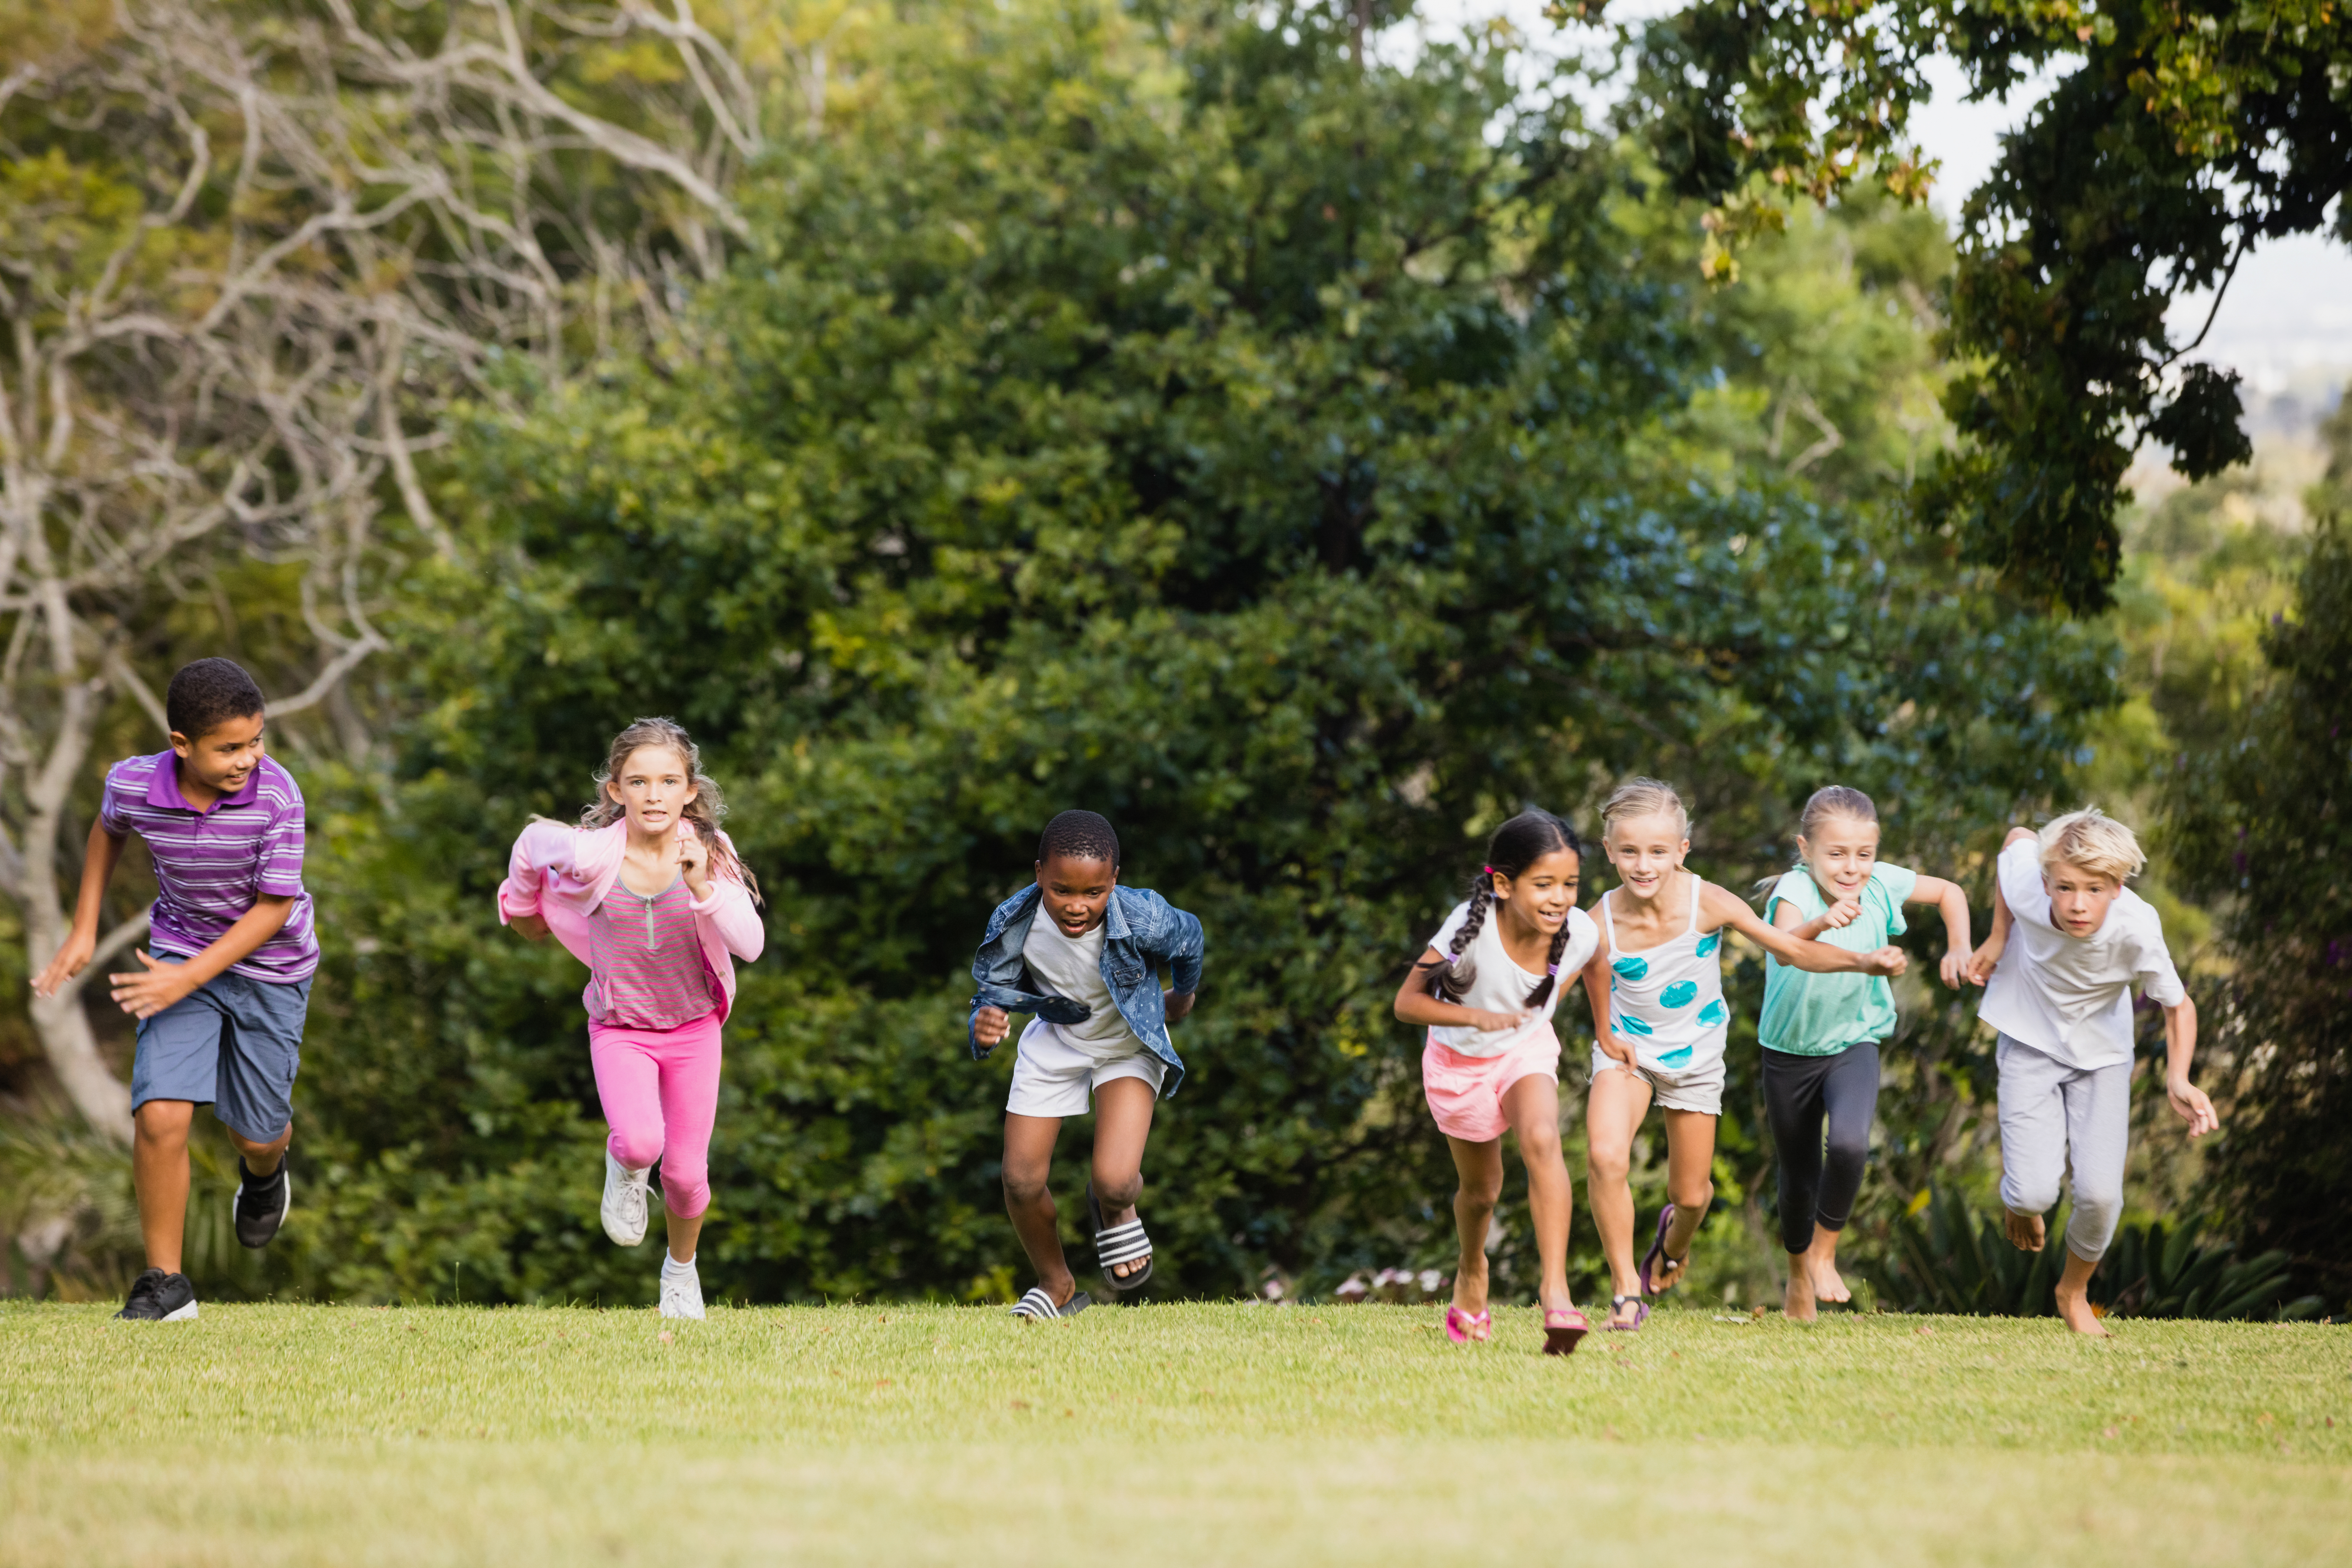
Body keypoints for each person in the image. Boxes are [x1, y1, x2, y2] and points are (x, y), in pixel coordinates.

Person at [34, 659, 318, 1323]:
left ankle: (266, 1172)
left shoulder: (277, 796)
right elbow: (109, 829)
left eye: (257, 740)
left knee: (256, 1132)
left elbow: (273, 909)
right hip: (179, 953)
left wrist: (188, 977)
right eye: (230, 748)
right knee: (161, 1114)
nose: (249, 758)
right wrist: (83, 929)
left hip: (269, 968)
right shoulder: (134, 783)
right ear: (181, 744)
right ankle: (165, 1284)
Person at [1583, 778, 1907, 1331]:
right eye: (1630, 851)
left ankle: (1672, 1247)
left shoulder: (1707, 901)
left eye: (1658, 851)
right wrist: (1599, 1032)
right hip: (1627, 1052)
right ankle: (1624, 1292)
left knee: (1690, 1194)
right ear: (1609, 850)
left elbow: (1792, 951)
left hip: (1695, 1058)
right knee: (1606, 1155)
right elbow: (1583, 972)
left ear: (1681, 850)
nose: (1643, 865)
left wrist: (1863, 964)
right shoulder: (1598, 921)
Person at [499, 718, 764, 1321]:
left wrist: (703, 885)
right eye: (638, 781)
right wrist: (518, 903)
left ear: (689, 791)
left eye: (669, 781)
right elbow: (531, 842)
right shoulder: (592, 853)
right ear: (615, 790)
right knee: (644, 1141)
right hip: (620, 1027)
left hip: (695, 1030)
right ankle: (623, 1164)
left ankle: (680, 1273)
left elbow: (751, 946)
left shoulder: (709, 852)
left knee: (688, 1177)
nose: (654, 794)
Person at [1963, 807, 2216, 1336]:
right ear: (2046, 881)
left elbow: (2179, 1006)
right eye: (2067, 887)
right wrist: (1997, 937)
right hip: (2029, 1036)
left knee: (2101, 1197)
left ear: (2117, 887)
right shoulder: (2028, 884)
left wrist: (2178, 1077)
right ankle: (2020, 1198)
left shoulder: (2138, 928)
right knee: (2032, 1193)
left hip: (2102, 1054)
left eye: (2095, 889)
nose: (2078, 904)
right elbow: (2014, 837)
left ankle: (2072, 1291)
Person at [968, 810, 1203, 1321]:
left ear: (1114, 880)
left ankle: (1115, 1205)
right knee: (1020, 1179)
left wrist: (1182, 997)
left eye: (1094, 893)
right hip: (1057, 1037)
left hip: (1127, 1042)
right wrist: (986, 1023)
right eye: (1061, 891)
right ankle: (1057, 1285)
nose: (1077, 906)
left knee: (1115, 1180)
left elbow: (1191, 939)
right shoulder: (1013, 921)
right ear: (1038, 875)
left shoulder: (1144, 916)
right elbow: (991, 995)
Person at [1757, 785, 1972, 1321]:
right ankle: (1797, 1277)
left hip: (1854, 1040)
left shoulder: (1882, 883)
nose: (1852, 867)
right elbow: (1788, 950)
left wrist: (1960, 945)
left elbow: (1950, 892)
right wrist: (1834, 937)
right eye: (1836, 854)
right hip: (1787, 1051)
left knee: (1851, 1144)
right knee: (1798, 1175)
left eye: (1864, 853)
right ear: (1805, 849)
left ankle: (1824, 1256)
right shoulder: (1793, 889)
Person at [1391, 810, 1599, 1354]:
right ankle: (1471, 1268)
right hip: (1459, 1065)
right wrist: (1474, 1018)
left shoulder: (1577, 931)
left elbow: (1594, 959)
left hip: (1523, 1050)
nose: (1560, 897)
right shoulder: (1469, 927)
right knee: (1481, 1193)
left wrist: (1603, 1029)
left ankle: (1556, 1292)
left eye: (1570, 884)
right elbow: (1407, 1003)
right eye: (1545, 884)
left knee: (1542, 1139)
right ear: (1504, 885)